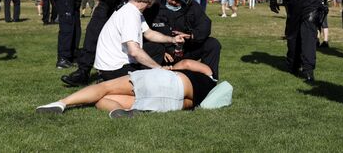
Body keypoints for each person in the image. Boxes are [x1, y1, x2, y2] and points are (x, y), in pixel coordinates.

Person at [36, 59, 216, 117]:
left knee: (104, 87)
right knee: (100, 100)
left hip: (170, 81)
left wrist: (170, 67)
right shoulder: (207, 93)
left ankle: (62, 103)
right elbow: (187, 103)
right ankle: (118, 112)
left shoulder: (208, 71)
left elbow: (185, 63)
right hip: (173, 104)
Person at [93, 0, 187, 81]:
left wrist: (172, 39)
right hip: (113, 69)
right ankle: (108, 81)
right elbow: (134, 51)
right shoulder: (130, 15)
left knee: (156, 48)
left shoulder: (132, 8)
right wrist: (159, 69)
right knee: (153, 83)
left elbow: (149, 34)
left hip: (111, 62)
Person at [144, 0, 222, 79]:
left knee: (212, 44)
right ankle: (150, 81)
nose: (173, 2)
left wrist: (192, 36)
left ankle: (209, 80)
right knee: (152, 48)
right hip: (164, 55)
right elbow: (144, 32)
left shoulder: (193, 7)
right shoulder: (153, 7)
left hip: (186, 50)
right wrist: (162, 50)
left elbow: (205, 25)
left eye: (178, 0)